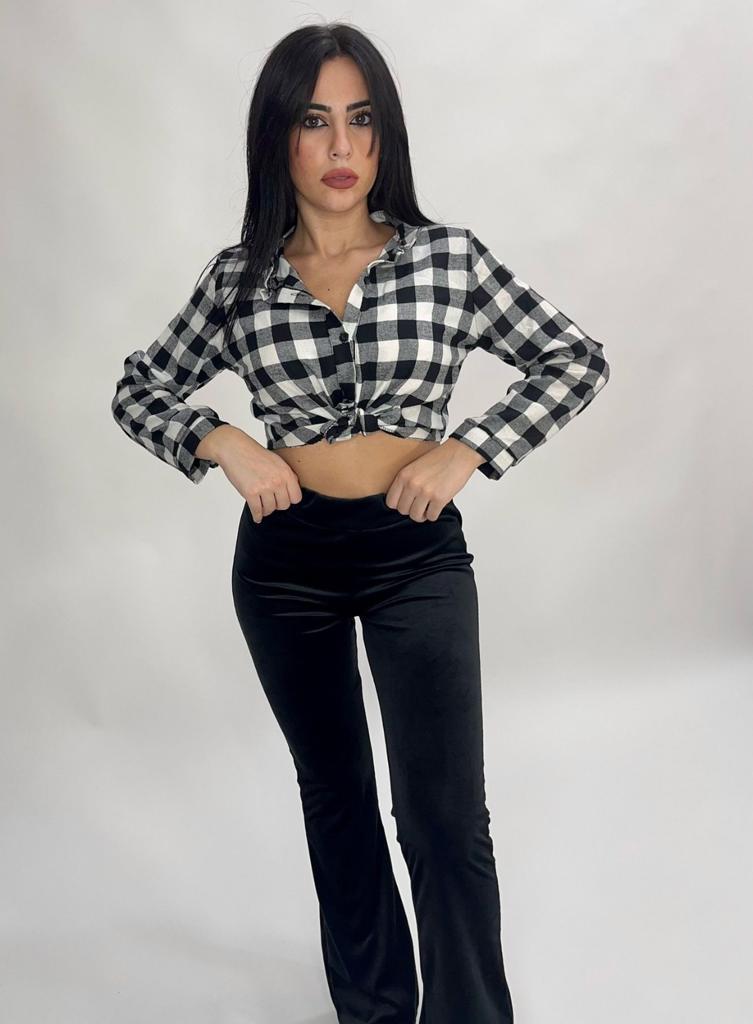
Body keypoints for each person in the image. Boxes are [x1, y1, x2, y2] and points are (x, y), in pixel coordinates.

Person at [111, 21, 610, 1024]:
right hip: (284, 564)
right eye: (314, 122)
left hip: (413, 555)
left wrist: (470, 446)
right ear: (278, 137)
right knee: (336, 800)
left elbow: (574, 358)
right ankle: (374, 1013)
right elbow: (140, 387)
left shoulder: (447, 259)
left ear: (386, 137)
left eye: (362, 120)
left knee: (442, 814)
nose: (341, 147)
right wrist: (223, 440)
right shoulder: (238, 278)